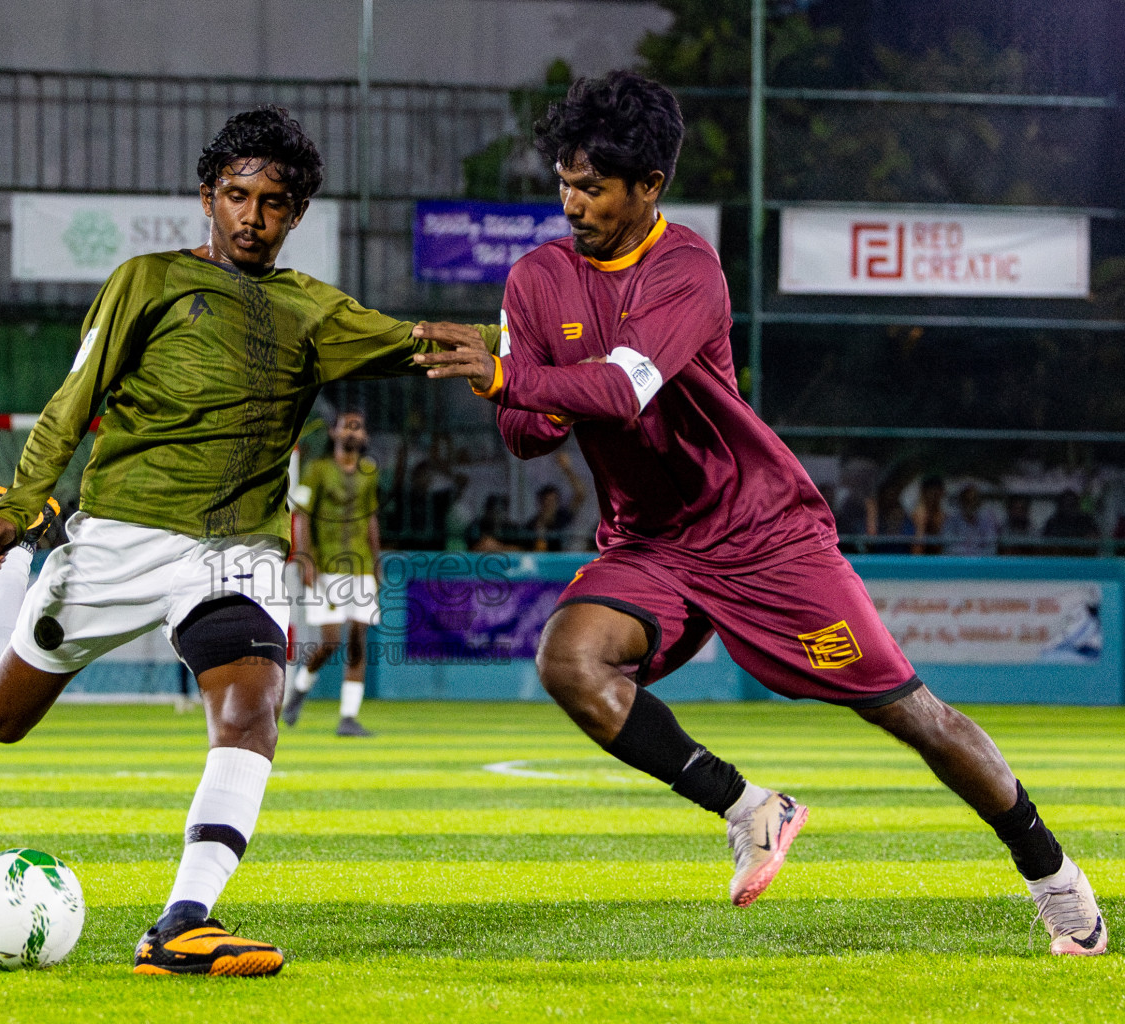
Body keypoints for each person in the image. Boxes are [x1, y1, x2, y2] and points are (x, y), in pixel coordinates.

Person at [415, 70, 1107, 955]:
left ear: (649, 187)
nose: (572, 202)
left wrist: (517, 378)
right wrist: (525, 397)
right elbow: (522, 433)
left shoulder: (687, 267)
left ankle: (1055, 877)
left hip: (759, 529)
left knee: (912, 714)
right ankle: (749, 807)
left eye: (592, 186)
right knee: (571, 662)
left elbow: (625, 389)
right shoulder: (536, 279)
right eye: (564, 181)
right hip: (652, 541)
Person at [0, 107, 494, 977]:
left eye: (273, 202)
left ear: (296, 214)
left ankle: (182, 924)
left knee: (253, 709)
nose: (253, 216)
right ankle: (23, 568)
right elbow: (74, 395)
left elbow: (423, 343)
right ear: (207, 197)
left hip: (235, 549)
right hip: (119, 537)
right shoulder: (149, 280)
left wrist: (536, 354)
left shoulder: (314, 311)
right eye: (237, 196)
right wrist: (21, 510)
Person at [283, 407, 383, 736]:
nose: (353, 433)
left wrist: (377, 560)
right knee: (329, 643)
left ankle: (348, 718)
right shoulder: (317, 470)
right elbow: (303, 516)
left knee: (357, 640)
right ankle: (299, 689)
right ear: (335, 433)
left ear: (364, 436)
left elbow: (370, 518)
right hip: (326, 565)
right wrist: (304, 558)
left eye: (358, 427)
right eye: (347, 427)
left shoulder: (369, 472)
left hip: (362, 567)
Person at [524, 450, 588, 551]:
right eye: (547, 501)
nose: (550, 505)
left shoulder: (562, 518)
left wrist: (567, 469)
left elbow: (580, 493)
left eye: (554, 501)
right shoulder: (532, 524)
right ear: (541, 503)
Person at [944, 483, 1000, 556]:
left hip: (981, 562)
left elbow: (991, 546)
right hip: (958, 562)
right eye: (967, 500)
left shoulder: (987, 521)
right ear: (961, 502)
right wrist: (966, 556)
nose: (970, 504)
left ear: (978, 502)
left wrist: (976, 557)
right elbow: (947, 546)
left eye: (973, 500)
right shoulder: (951, 521)